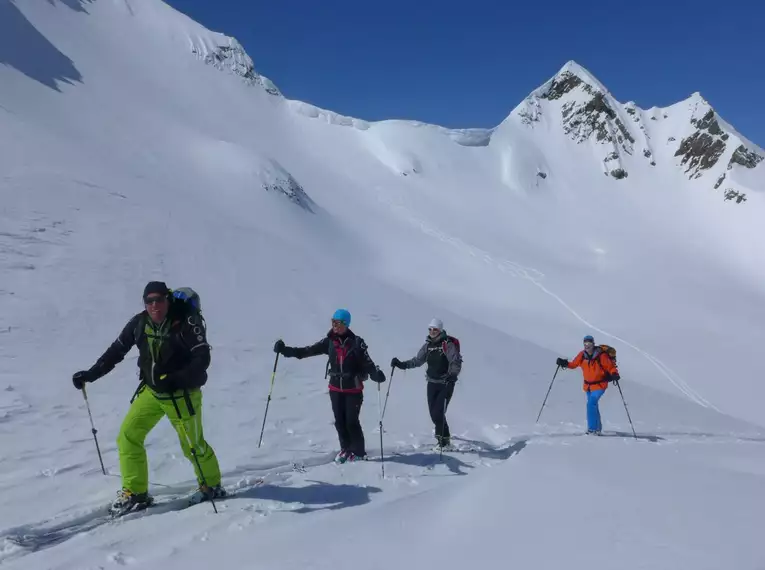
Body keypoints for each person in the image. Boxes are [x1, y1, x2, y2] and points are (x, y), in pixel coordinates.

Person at [72, 281, 224, 516]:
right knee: (128, 436)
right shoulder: (139, 323)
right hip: (152, 392)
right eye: (149, 301)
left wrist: (175, 379)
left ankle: (211, 486)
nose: (154, 305)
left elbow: (202, 359)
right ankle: (136, 493)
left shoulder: (186, 322)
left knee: (193, 445)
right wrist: (91, 374)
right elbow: (117, 351)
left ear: (168, 299)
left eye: (159, 299)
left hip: (182, 394)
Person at [273, 309, 386, 463]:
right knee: (339, 421)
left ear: (346, 324)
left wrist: (375, 374)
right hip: (335, 389)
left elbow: (368, 363)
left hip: (353, 389)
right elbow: (307, 351)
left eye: (337, 322)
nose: (334, 325)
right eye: (333, 321)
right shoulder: (329, 342)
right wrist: (285, 350)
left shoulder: (357, 343)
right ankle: (345, 449)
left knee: (351, 422)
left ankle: (358, 452)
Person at [390, 318, 462, 451]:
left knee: (438, 413)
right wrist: (401, 364)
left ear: (440, 330)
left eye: (435, 329)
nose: (432, 332)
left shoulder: (447, 344)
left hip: (445, 383)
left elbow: (455, 361)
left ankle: (444, 442)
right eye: (430, 329)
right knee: (433, 413)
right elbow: (417, 361)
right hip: (432, 383)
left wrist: (452, 376)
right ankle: (444, 440)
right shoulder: (428, 346)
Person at [556, 335, 620, 435]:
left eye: (589, 343)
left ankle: (592, 430)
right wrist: (564, 363)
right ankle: (598, 428)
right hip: (588, 386)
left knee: (591, 404)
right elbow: (574, 364)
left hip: (600, 385)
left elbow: (610, 367)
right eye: (585, 344)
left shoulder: (601, 355)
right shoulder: (582, 355)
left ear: (593, 343)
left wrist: (614, 373)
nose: (587, 346)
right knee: (593, 405)